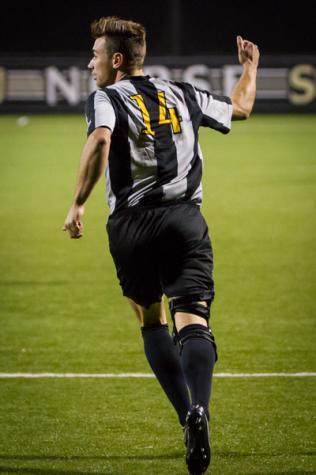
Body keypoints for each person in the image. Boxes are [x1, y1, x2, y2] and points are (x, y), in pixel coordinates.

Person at [63, 16, 259, 475]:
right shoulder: (184, 92)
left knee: (152, 319)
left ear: (115, 60)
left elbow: (100, 141)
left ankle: (185, 414)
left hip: (131, 227)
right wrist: (249, 67)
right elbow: (241, 109)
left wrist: (77, 202)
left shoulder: (106, 98)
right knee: (193, 317)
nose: (89, 64)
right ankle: (202, 412)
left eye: (94, 56)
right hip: (184, 221)